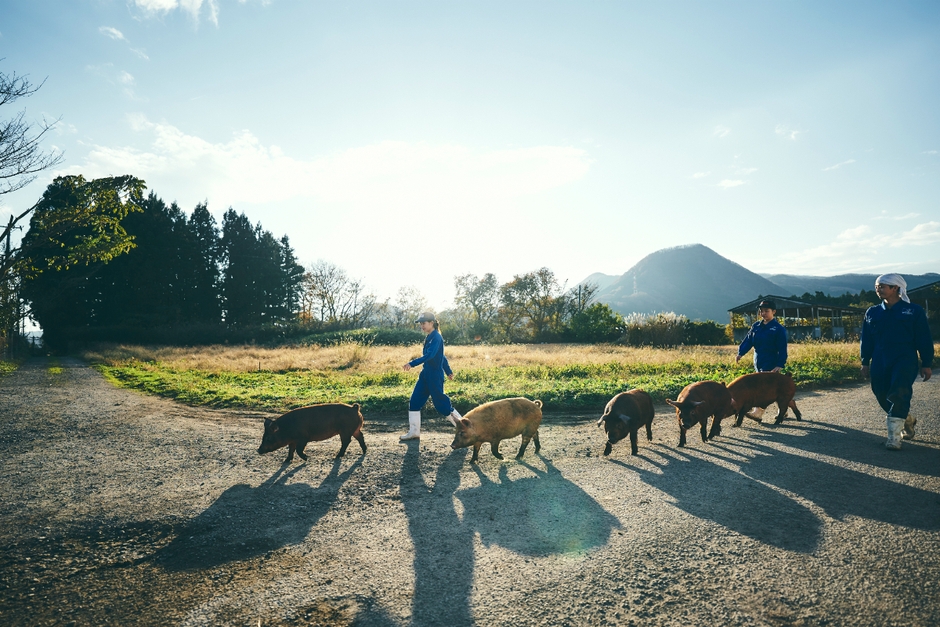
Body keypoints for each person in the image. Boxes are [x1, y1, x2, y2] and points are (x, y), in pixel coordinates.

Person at [860, 273, 933, 450]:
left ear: (896, 288)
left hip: (904, 359)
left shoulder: (913, 311)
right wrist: (865, 362)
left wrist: (926, 363)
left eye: (883, 286)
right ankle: (906, 419)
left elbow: (923, 338)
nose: (878, 289)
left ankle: (894, 438)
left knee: (899, 392)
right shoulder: (872, 312)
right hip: (879, 359)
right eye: (877, 286)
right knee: (880, 392)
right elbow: (866, 339)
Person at [400, 312, 463, 441]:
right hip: (426, 375)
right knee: (414, 402)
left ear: (432, 323)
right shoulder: (430, 337)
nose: (421, 326)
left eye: (424, 323)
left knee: (442, 405)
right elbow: (442, 356)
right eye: (420, 323)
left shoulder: (436, 337)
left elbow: (430, 355)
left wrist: (412, 363)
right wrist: (448, 370)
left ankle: (464, 428)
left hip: (434, 376)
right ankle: (414, 432)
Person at [735, 299, 789, 419]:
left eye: (766, 311)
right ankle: (784, 408)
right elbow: (748, 340)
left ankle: (758, 412)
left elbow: (782, 348)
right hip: (758, 360)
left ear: (774, 311)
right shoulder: (756, 326)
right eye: (761, 311)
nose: (763, 313)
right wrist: (740, 353)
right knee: (773, 388)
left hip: (772, 360)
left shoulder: (778, 329)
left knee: (763, 388)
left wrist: (780, 364)